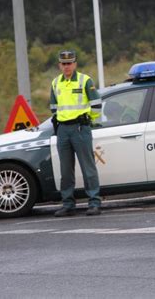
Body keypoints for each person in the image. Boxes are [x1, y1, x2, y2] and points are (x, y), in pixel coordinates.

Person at [49, 50, 102, 217]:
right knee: (65, 170)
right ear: (59, 65)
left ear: (75, 64)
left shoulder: (85, 80)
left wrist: (88, 121)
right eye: (63, 64)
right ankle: (68, 204)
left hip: (80, 127)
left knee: (88, 168)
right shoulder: (55, 83)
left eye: (69, 63)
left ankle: (94, 202)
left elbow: (96, 105)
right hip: (63, 130)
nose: (66, 66)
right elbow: (53, 108)